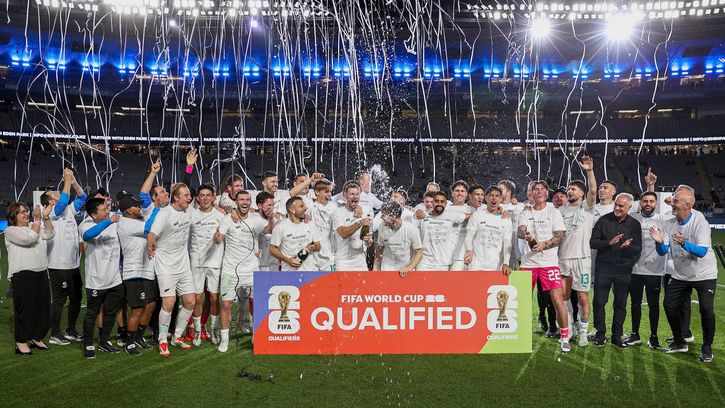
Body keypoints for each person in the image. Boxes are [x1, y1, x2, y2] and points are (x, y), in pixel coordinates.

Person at [651, 188, 718, 362]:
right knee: (669, 305)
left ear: (688, 205)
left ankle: (707, 347)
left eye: (676, 201)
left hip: (704, 274)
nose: (672, 203)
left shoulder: (700, 222)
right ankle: (679, 341)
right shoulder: (669, 222)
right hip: (680, 274)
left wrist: (684, 243)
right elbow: (663, 251)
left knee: (706, 309)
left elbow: (702, 251)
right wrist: (659, 243)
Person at [214, 191, 273, 352]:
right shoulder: (228, 219)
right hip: (230, 270)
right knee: (226, 305)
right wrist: (217, 236)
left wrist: (271, 218)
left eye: (247, 200)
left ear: (250, 202)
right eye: (241, 199)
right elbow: (219, 237)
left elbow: (268, 230)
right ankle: (224, 340)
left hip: (252, 269)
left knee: (257, 304)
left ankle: (257, 335)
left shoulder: (255, 219)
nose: (244, 202)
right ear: (236, 202)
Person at [517, 180, 571, 352]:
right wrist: (526, 234)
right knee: (522, 301)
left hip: (549, 264)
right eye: (535, 189)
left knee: (558, 300)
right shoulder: (525, 211)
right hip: (528, 263)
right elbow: (520, 230)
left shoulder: (553, 212)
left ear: (547, 193)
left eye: (542, 189)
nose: (539, 192)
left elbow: (559, 236)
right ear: (531, 193)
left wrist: (543, 244)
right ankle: (520, 336)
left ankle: (565, 338)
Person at [147, 183, 197, 356]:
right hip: (166, 266)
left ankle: (177, 336)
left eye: (189, 195)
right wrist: (150, 244)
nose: (189, 198)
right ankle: (162, 340)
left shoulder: (189, 211)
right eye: (186, 195)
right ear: (176, 198)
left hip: (183, 265)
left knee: (190, 301)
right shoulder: (165, 213)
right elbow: (152, 233)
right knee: (169, 302)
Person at [589, 193, 642, 348]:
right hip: (603, 268)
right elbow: (592, 242)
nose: (617, 208)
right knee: (599, 302)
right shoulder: (603, 220)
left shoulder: (634, 224)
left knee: (620, 304)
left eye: (621, 206)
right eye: (616, 204)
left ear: (629, 207)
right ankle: (600, 334)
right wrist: (609, 242)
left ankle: (616, 336)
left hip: (623, 269)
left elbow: (638, 248)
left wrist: (628, 247)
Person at [42, 168, 87, 345]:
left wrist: (73, 181)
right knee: (59, 300)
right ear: (49, 202)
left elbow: (82, 198)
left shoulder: (68, 210)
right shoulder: (52, 212)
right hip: (58, 265)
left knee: (76, 298)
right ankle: (55, 333)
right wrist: (67, 181)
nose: (57, 193)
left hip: (73, 265)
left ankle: (70, 330)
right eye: (53, 194)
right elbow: (62, 203)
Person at [557, 156, 597, 347]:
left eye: (573, 189)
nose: (569, 191)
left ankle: (583, 332)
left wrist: (589, 171)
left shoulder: (586, 207)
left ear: (582, 193)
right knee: (564, 297)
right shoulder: (560, 211)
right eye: (569, 188)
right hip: (563, 258)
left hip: (582, 258)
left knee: (583, 297)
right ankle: (570, 327)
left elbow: (594, 190)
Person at [79, 197, 126, 359]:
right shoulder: (86, 225)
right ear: (93, 214)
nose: (108, 211)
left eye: (108, 208)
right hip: (96, 281)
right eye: (104, 210)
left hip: (115, 279)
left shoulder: (114, 219)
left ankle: (104, 341)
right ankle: (88, 344)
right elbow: (88, 235)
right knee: (92, 314)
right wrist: (109, 221)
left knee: (111, 313)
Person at [5, 202, 54, 355]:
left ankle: (36, 337)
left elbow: (50, 234)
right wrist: (38, 220)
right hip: (22, 274)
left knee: (42, 308)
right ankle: (21, 342)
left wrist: (45, 218)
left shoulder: (34, 225)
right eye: (22, 212)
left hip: (41, 271)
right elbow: (29, 240)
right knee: (25, 309)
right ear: (13, 216)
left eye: (26, 211)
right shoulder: (10, 230)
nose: (26, 214)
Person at [116, 194, 156, 355]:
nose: (139, 208)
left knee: (150, 306)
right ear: (127, 210)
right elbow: (149, 227)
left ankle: (139, 338)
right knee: (137, 309)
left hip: (147, 269)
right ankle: (129, 343)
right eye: (136, 206)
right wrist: (157, 208)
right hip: (134, 272)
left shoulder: (137, 219)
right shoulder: (125, 223)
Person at [626, 191, 666, 349]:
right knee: (635, 304)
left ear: (656, 203)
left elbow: (664, 247)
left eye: (651, 201)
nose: (648, 204)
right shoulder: (633, 218)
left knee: (653, 305)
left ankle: (654, 336)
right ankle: (635, 334)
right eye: (645, 201)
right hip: (635, 269)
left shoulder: (662, 220)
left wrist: (659, 242)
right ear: (640, 203)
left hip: (654, 270)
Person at [188, 184, 225, 346]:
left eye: (208, 195)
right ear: (197, 198)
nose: (205, 198)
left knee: (214, 298)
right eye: (202, 195)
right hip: (196, 262)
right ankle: (197, 330)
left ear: (213, 197)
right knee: (197, 298)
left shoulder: (221, 216)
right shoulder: (191, 214)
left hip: (215, 262)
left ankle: (213, 329)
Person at [463, 186, 512, 274]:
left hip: (496, 267)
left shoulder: (506, 220)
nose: (494, 198)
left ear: (501, 199)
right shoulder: (477, 215)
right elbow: (468, 237)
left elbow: (507, 243)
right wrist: (469, 250)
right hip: (476, 265)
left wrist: (506, 263)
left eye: (497, 196)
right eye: (491, 195)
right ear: (486, 198)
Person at [417, 191, 469, 271]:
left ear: (446, 204)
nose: (439, 204)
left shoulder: (451, 215)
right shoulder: (423, 215)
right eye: (436, 201)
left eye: (442, 202)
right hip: (424, 263)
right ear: (432, 202)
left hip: (443, 264)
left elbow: (470, 216)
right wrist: (417, 212)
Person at [270, 197, 322, 271]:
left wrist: (314, 247)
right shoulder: (281, 226)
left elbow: (318, 247)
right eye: (301, 206)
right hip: (289, 273)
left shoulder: (310, 224)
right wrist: (287, 260)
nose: (305, 208)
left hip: (309, 272)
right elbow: (272, 249)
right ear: (292, 210)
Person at [331, 181, 374, 271]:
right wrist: (359, 223)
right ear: (345, 195)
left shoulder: (365, 212)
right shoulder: (338, 212)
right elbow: (343, 233)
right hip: (343, 262)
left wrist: (368, 241)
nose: (355, 197)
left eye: (357, 194)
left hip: (360, 260)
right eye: (352, 194)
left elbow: (367, 240)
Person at [373, 201, 423, 277]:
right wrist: (375, 268)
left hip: (405, 271)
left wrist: (409, 268)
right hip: (387, 269)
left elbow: (419, 253)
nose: (381, 218)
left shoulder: (411, 228)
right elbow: (379, 249)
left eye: (383, 215)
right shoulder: (382, 226)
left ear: (392, 215)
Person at [308, 179, 337, 271]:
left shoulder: (335, 208)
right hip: (313, 256)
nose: (329, 194)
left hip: (330, 256)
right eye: (326, 192)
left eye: (330, 192)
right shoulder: (309, 207)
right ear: (317, 192)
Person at [448, 180, 474, 270]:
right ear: (452, 193)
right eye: (457, 191)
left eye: (462, 191)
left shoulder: (472, 209)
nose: (460, 193)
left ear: (466, 194)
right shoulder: (445, 208)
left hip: (461, 256)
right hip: (444, 255)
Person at [255, 192, 279, 272]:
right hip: (257, 266)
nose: (271, 208)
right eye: (269, 205)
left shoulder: (277, 221)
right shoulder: (253, 219)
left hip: (273, 266)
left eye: (272, 205)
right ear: (259, 206)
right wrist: (271, 219)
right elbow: (268, 231)